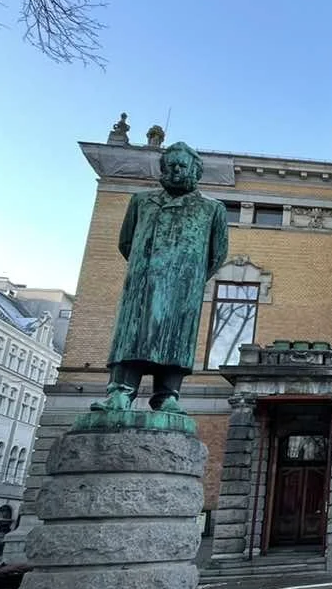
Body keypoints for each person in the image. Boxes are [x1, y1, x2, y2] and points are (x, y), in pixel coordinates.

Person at [91, 141, 229, 413]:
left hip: (183, 287)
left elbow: (217, 254)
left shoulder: (212, 210)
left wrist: (188, 276)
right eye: (172, 166)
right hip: (143, 283)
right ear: (163, 169)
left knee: (175, 340)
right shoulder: (141, 201)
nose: (176, 171)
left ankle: (167, 395)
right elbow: (126, 242)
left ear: (195, 171)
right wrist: (147, 268)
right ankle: (120, 392)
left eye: (182, 166)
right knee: (131, 338)